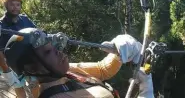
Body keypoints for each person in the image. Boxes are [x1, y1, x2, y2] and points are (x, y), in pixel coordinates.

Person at [3, 28, 154, 97]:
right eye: (48, 52)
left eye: (55, 48)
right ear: (33, 69)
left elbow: (103, 70)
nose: (60, 53)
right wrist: (146, 90)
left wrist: (119, 51)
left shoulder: (69, 72)